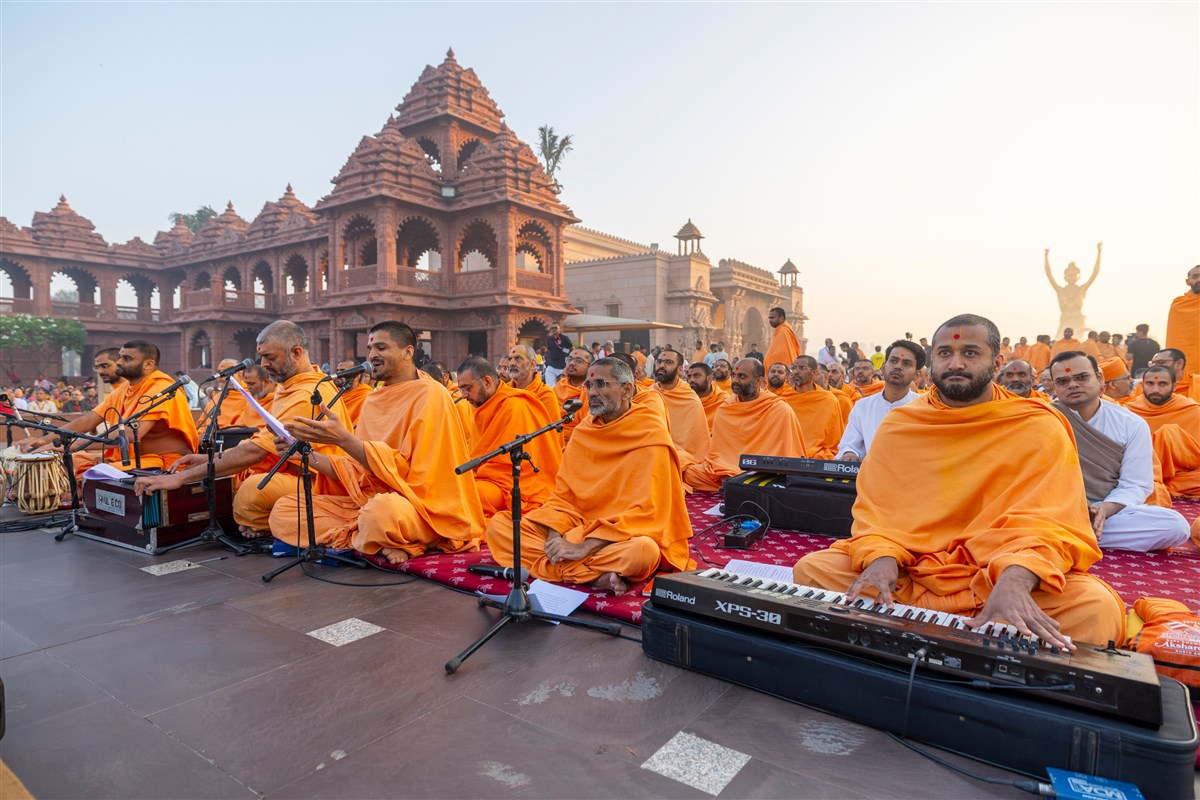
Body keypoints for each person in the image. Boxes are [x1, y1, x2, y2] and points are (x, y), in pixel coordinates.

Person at [794, 314, 1124, 649]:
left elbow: (1051, 521)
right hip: (911, 570)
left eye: (969, 353)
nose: (955, 363)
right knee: (814, 569)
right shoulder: (902, 425)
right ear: (932, 360)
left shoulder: (1037, 426)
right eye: (944, 354)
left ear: (996, 362)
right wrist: (881, 560)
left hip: (997, 571)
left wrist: (1016, 579)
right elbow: (878, 512)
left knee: (1095, 608)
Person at [261, 321, 484, 563]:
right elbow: (356, 469)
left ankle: (373, 536)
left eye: (381, 348)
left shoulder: (431, 394)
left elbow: (420, 475)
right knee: (285, 509)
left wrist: (344, 440)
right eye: (370, 349)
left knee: (382, 513)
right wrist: (303, 455)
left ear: (407, 352)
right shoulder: (373, 400)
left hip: (418, 505)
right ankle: (371, 538)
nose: (372, 355)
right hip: (366, 502)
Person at [485, 357, 694, 594]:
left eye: (602, 385)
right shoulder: (584, 431)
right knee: (499, 527)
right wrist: (555, 539)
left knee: (644, 552)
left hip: (619, 536)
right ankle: (595, 577)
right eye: (589, 386)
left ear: (627, 389)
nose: (592, 393)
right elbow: (563, 496)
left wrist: (583, 547)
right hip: (574, 524)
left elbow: (648, 514)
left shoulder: (650, 434)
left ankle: (563, 570)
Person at [134, 322, 348, 537]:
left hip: (320, 481)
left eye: (270, 358)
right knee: (240, 480)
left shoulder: (308, 393)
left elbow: (256, 451)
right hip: (291, 471)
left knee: (254, 488)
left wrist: (181, 478)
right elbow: (262, 441)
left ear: (296, 353)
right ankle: (260, 522)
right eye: (261, 357)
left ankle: (263, 524)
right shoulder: (293, 386)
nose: (263, 364)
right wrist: (211, 458)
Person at [1049, 351, 1188, 551]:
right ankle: (1074, 535)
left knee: (1175, 526)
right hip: (1054, 509)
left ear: (1099, 379)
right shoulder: (1044, 418)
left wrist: (1105, 508)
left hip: (1104, 509)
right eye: (1063, 381)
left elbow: (1136, 484)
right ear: (1055, 387)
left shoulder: (1131, 424)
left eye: (1081, 377)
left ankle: (1068, 535)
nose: (1072, 385)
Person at [22, 341, 198, 478]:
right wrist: (44, 441)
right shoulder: (125, 388)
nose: (119, 362)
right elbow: (88, 420)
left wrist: (74, 445)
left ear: (148, 364)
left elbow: (129, 435)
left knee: (92, 473)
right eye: (120, 357)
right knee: (68, 461)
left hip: (166, 462)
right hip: (132, 460)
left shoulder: (161, 387)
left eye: (127, 359)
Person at [456, 356, 561, 521]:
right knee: (449, 487)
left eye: (467, 388)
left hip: (516, 485)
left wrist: (473, 476)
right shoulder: (482, 406)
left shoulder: (515, 406)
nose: (463, 395)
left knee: (465, 496)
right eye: (461, 389)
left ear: (487, 382)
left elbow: (509, 466)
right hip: (486, 476)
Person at [682, 358, 806, 491]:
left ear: (759, 381)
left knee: (769, 482)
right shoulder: (726, 408)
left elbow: (788, 457)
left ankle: (737, 484)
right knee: (690, 473)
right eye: (734, 376)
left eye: (742, 376)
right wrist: (726, 469)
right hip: (726, 471)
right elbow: (717, 453)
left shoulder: (780, 410)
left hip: (762, 473)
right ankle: (737, 484)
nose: (735, 381)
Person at [836, 340, 921, 461]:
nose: (898, 366)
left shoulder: (925, 408)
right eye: (893, 361)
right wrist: (849, 453)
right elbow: (849, 445)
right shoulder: (862, 407)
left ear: (916, 375)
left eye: (906, 364)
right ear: (882, 368)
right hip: (871, 476)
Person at [1127, 366, 1200, 497]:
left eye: (1162, 384)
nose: (1155, 389)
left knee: (1168, 432)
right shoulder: (1128, 412)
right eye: (1150, 383)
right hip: (1139, 471)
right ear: (1142, 385)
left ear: (1175, 385)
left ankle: (1154, 485)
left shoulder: (1193, 411)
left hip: (1184, 475)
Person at [649, 348, 710, 460]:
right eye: (659, 362)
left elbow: (696, 446)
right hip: (653, 453)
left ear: (680, 370)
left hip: (683, 458)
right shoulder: (648, 394)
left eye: (668, 362)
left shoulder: (690, 399)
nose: (662, 365)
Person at [783, 356, 844, 459]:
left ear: (814, 373)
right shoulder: (784, 399)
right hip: (786, 456)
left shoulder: (828, 400)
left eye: (802, 368)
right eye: (794, 368)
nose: (796, 372)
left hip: (816, 458)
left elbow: (834, 440)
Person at [1045, 243, 1102, 337]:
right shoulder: (1060, 291)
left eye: (1074, 274)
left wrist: (1099, 252)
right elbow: (1049, 274)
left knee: (1078, 344)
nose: (1071, 277)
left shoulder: (1082, 289)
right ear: (1065, 277)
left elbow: (1095, 273)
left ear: (1078, 276)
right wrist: (1046, 257)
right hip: (1065, 320)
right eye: (1069, 275)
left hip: (1078, 321)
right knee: (1060, 341)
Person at [421, 361, 477, 448]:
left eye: (426, 385)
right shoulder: (435, 397)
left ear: (444, 378)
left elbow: (467, 437)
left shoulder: (457, 401)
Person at [508, 344, 559, 426]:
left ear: (532, 364)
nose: (511, 363)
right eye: (510, 359)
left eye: (518, 358)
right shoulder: (503, 391)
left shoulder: (545, 395)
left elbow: (551, 432)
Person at [1165, 264, 1200, 377]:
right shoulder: (1178, 304)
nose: (1199, 279)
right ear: (1187, 281)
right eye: (1195, 276)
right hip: (1182, 368)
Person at [553, 348, 592, 446]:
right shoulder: (559, 386)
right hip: (552, 440)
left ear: (590, 367)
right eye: (569, 359)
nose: (572, 363)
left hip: (580, 443)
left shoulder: (593, 391)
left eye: (578, 361)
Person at [201, 359, 249, 427]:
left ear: (239, 376)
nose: (220, 377)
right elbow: (203, 425)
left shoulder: (249, 397)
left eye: (225, 373)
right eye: (219, 372)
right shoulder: (217, 398)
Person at [686, 361, 728, 433]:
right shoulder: (684, 398)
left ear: (709, 378)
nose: (691, 380)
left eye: (697, 376)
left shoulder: (723, 400)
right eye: (689, 376)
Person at [333, 357, 373, 427]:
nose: (338, 374)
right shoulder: (334, 396)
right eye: (337, 370)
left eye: (343, 371)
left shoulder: (367, 397)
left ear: (357, 375)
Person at [763, 307, 802, 372]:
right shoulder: (781, 330)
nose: (770, 320)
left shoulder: (783, 332)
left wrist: (768, 360)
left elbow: (782, 354)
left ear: (781, 318)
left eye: (772, 318)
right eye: (769, 318)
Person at [543, 323, 572, 388]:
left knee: (563, 387)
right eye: (552, 328)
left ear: (559, 329)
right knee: (550, 387)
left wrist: (568, 361)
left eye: (555, 328)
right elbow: (549, 350)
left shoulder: (565, 338)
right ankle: (551, 396)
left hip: (563, 367)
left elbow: (571, 349)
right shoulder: (549, 339)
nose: (553, 329)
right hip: (552, 366)